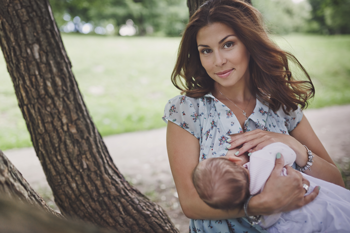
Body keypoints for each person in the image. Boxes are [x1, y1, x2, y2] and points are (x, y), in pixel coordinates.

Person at [163, 0, 345, 232]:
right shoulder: (186, 110)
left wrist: (293, 145)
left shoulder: (280, 105)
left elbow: (336, 182)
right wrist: (261, 205)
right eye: (206, 51)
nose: (218, 61)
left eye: (228, 44)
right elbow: (190, 204)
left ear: (249, 43)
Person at [192, 142, 350, 232]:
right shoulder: (260, 160)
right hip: (315, 201)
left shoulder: (254, 201)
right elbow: (285, 152)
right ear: (234, 161)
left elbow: (267, 223)